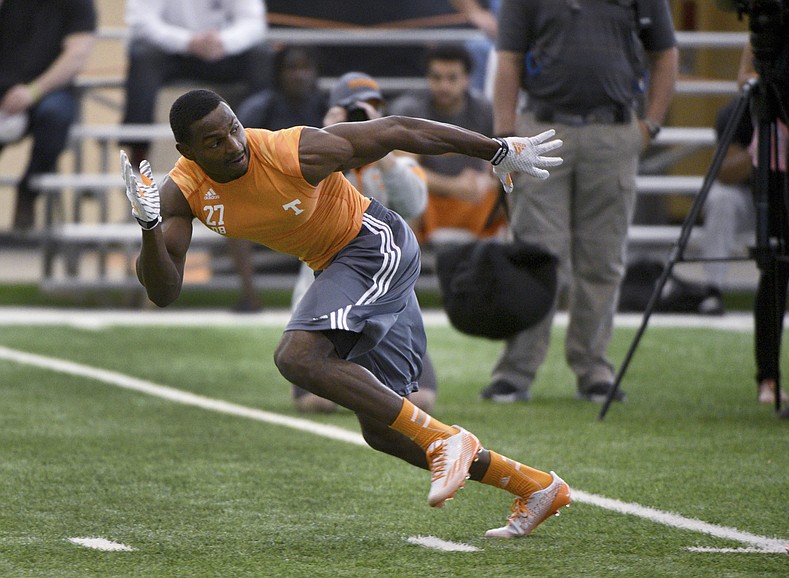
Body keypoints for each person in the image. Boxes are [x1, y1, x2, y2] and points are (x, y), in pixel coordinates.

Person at [120, 87, 569, 537]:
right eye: (214, 142)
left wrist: (496, 151)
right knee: (384, 431)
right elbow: (163, 290)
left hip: (374, 246)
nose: (234, 145)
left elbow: (398, 129)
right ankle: (534, 487)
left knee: (296, 357)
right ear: (187, 151)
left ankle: (447, 440)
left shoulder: (290, 150)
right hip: (336, 269)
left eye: (234, 129)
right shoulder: (182, 192)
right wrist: (149, 227)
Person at [484, 0, 678, 403]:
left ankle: (594, 368)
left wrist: (651, 125)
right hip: (541, 128)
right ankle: (516, 372)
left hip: (615, 127)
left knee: (602, 257)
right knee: (535, 255)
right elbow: (508, 59)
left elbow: (665, 54)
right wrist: (506, 138)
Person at [288, 71, 437, 414]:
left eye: (372, 109)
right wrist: (331, 138)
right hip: (330, 287)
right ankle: (361, 384)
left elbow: (415, 204)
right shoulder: (310, 153)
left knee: (421, 399)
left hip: (384, 293)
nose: (362, 116)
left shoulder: (397, 158)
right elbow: (302, 203)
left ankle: (363, 384)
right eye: (353, 110)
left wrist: (379, 144)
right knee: (316, 401)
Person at [229, 46, 329, 313]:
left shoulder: (328, 108)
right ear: (278, 74)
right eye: (292, 68)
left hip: (318, 195)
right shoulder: (259, 108)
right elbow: (240, 159)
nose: (299, 75)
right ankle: (250, 296)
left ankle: (332, 298)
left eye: (306, 68)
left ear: (316, 73)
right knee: (233, 214)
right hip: (267, 195)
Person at [121, 0, 271, 168]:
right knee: (143, 55)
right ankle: (138, 148)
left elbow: (254, 22)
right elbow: (142, 22)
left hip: (222, 52)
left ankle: (259, 144)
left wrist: (224, 42)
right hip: (172, 54)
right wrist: (188, 42)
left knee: (261, 55)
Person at [388, 45, 504, 248]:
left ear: (467, 79)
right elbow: (404, 171)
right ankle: (408, 265)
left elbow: (505, 164)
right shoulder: (409, 111)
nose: (444, 86)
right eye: (436, 78)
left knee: (516, 191)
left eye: (452, 78)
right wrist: (453, 186)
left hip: (475, 201)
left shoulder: (485, 111)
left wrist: (487, 181)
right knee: (406, 192)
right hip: (428, 203)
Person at [0, 0, 97, 231]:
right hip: (4, 87)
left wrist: (33, 92)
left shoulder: (79, 4)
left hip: (50, 90)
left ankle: (29, 191)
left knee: (56, 116)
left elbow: (76, 54)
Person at [737, 42, 789, 410]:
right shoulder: (770, 31)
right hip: (774, 161)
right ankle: (769, 377)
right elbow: (745, 78)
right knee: (773, 271)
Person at [701, 99, 756, 313]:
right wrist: (763, 148)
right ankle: (713, 290)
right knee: (721, 198)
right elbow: (723, 172)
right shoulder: (736, 112)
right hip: (748, 197)